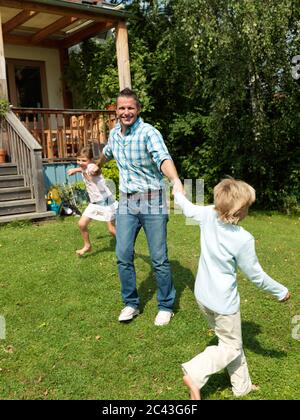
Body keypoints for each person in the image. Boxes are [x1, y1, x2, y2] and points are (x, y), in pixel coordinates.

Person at [174, 178, 290, 399]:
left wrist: (178, 193)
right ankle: (195, 372)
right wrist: (281, 292)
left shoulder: (208, 214)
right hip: (224, 304)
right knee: (232, 346)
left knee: (229, 341)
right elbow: (257, 276)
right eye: (248, 206)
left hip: (203, 297)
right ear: (240, 210)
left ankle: (242, 386)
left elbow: (188, 209)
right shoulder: (243, 239)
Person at [96, 88, 183, 326]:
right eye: (122, 108)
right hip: (126, 201)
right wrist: (98, 166)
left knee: (159, 258)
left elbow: (163, 158)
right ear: (116, 111)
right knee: (123, 254)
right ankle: (131, 303)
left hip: (152, 200)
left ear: (138, 109)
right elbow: (106, 153)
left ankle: (165, 305)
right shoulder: (115, 134)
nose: (126, 112)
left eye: (130, 108)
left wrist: (175, 181)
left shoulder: (148, 133)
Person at [67, 146, 117, 256]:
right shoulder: (84, 167)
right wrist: (76, 170)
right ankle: (87, 246)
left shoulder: (91, 167)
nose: (80, 162)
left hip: (106, 202)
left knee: (112, 230)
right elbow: (83, 168)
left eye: (84, 160)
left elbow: (94, 170)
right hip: (95, 203)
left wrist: (96, 169)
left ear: (90, 160)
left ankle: (126, 247)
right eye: (78, 160)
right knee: (81, 224)